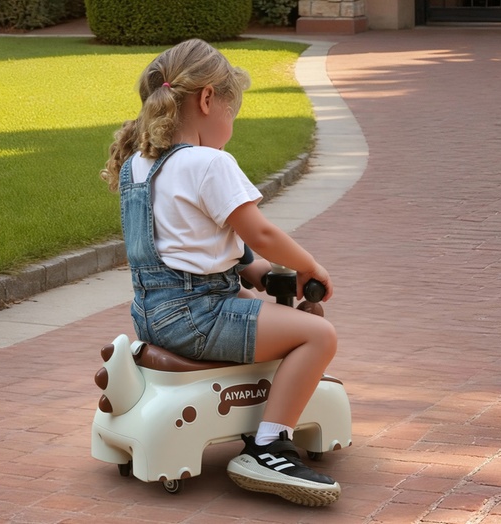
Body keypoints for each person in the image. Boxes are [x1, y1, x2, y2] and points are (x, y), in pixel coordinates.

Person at [100, 38, 340, 507]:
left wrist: (259, 272)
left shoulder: (139, 165)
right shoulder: (211, 163)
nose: (231, 124)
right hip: (200, 315)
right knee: (317, 336)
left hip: (153, 314)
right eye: (232, 112)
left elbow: (203, 244)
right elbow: (262, 232)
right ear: (208, 99)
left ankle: (253, 415)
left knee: (261, 308)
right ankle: (268, 446)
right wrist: (312, 268)